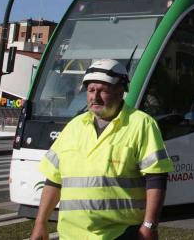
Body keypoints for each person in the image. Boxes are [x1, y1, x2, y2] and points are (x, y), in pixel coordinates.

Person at [31, 59, 174, 240]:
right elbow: (53, 180)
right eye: (91, 90)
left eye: (103, 90)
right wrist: (40, 222)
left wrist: (149, 225)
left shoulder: (141, 124)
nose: (95, 97)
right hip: (70, 235)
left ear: (120, 92)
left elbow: (156, 178)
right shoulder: (74, 127)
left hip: (121, 234)